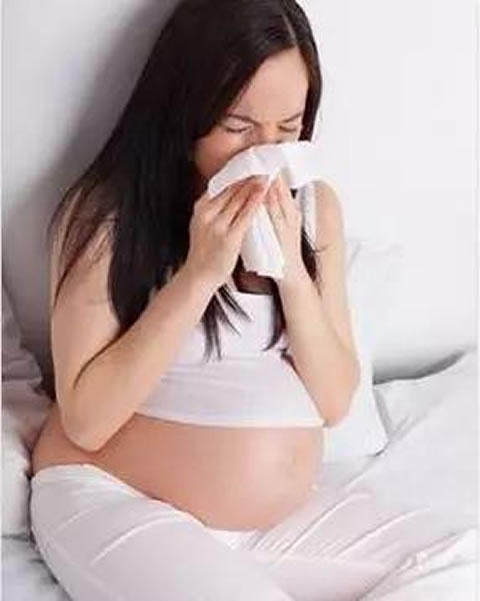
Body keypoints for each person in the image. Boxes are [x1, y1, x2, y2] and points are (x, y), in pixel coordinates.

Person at [29, 1, 420, 599]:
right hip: (113, 499)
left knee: (459, 562)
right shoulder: (110, 216)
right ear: (184, 113)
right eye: (238, 127)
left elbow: (335, 399)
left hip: (271, 526)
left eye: (287, 129)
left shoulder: (314, 207)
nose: (264, 155)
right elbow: (86, 421)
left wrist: (292, 273)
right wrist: (198, 275)